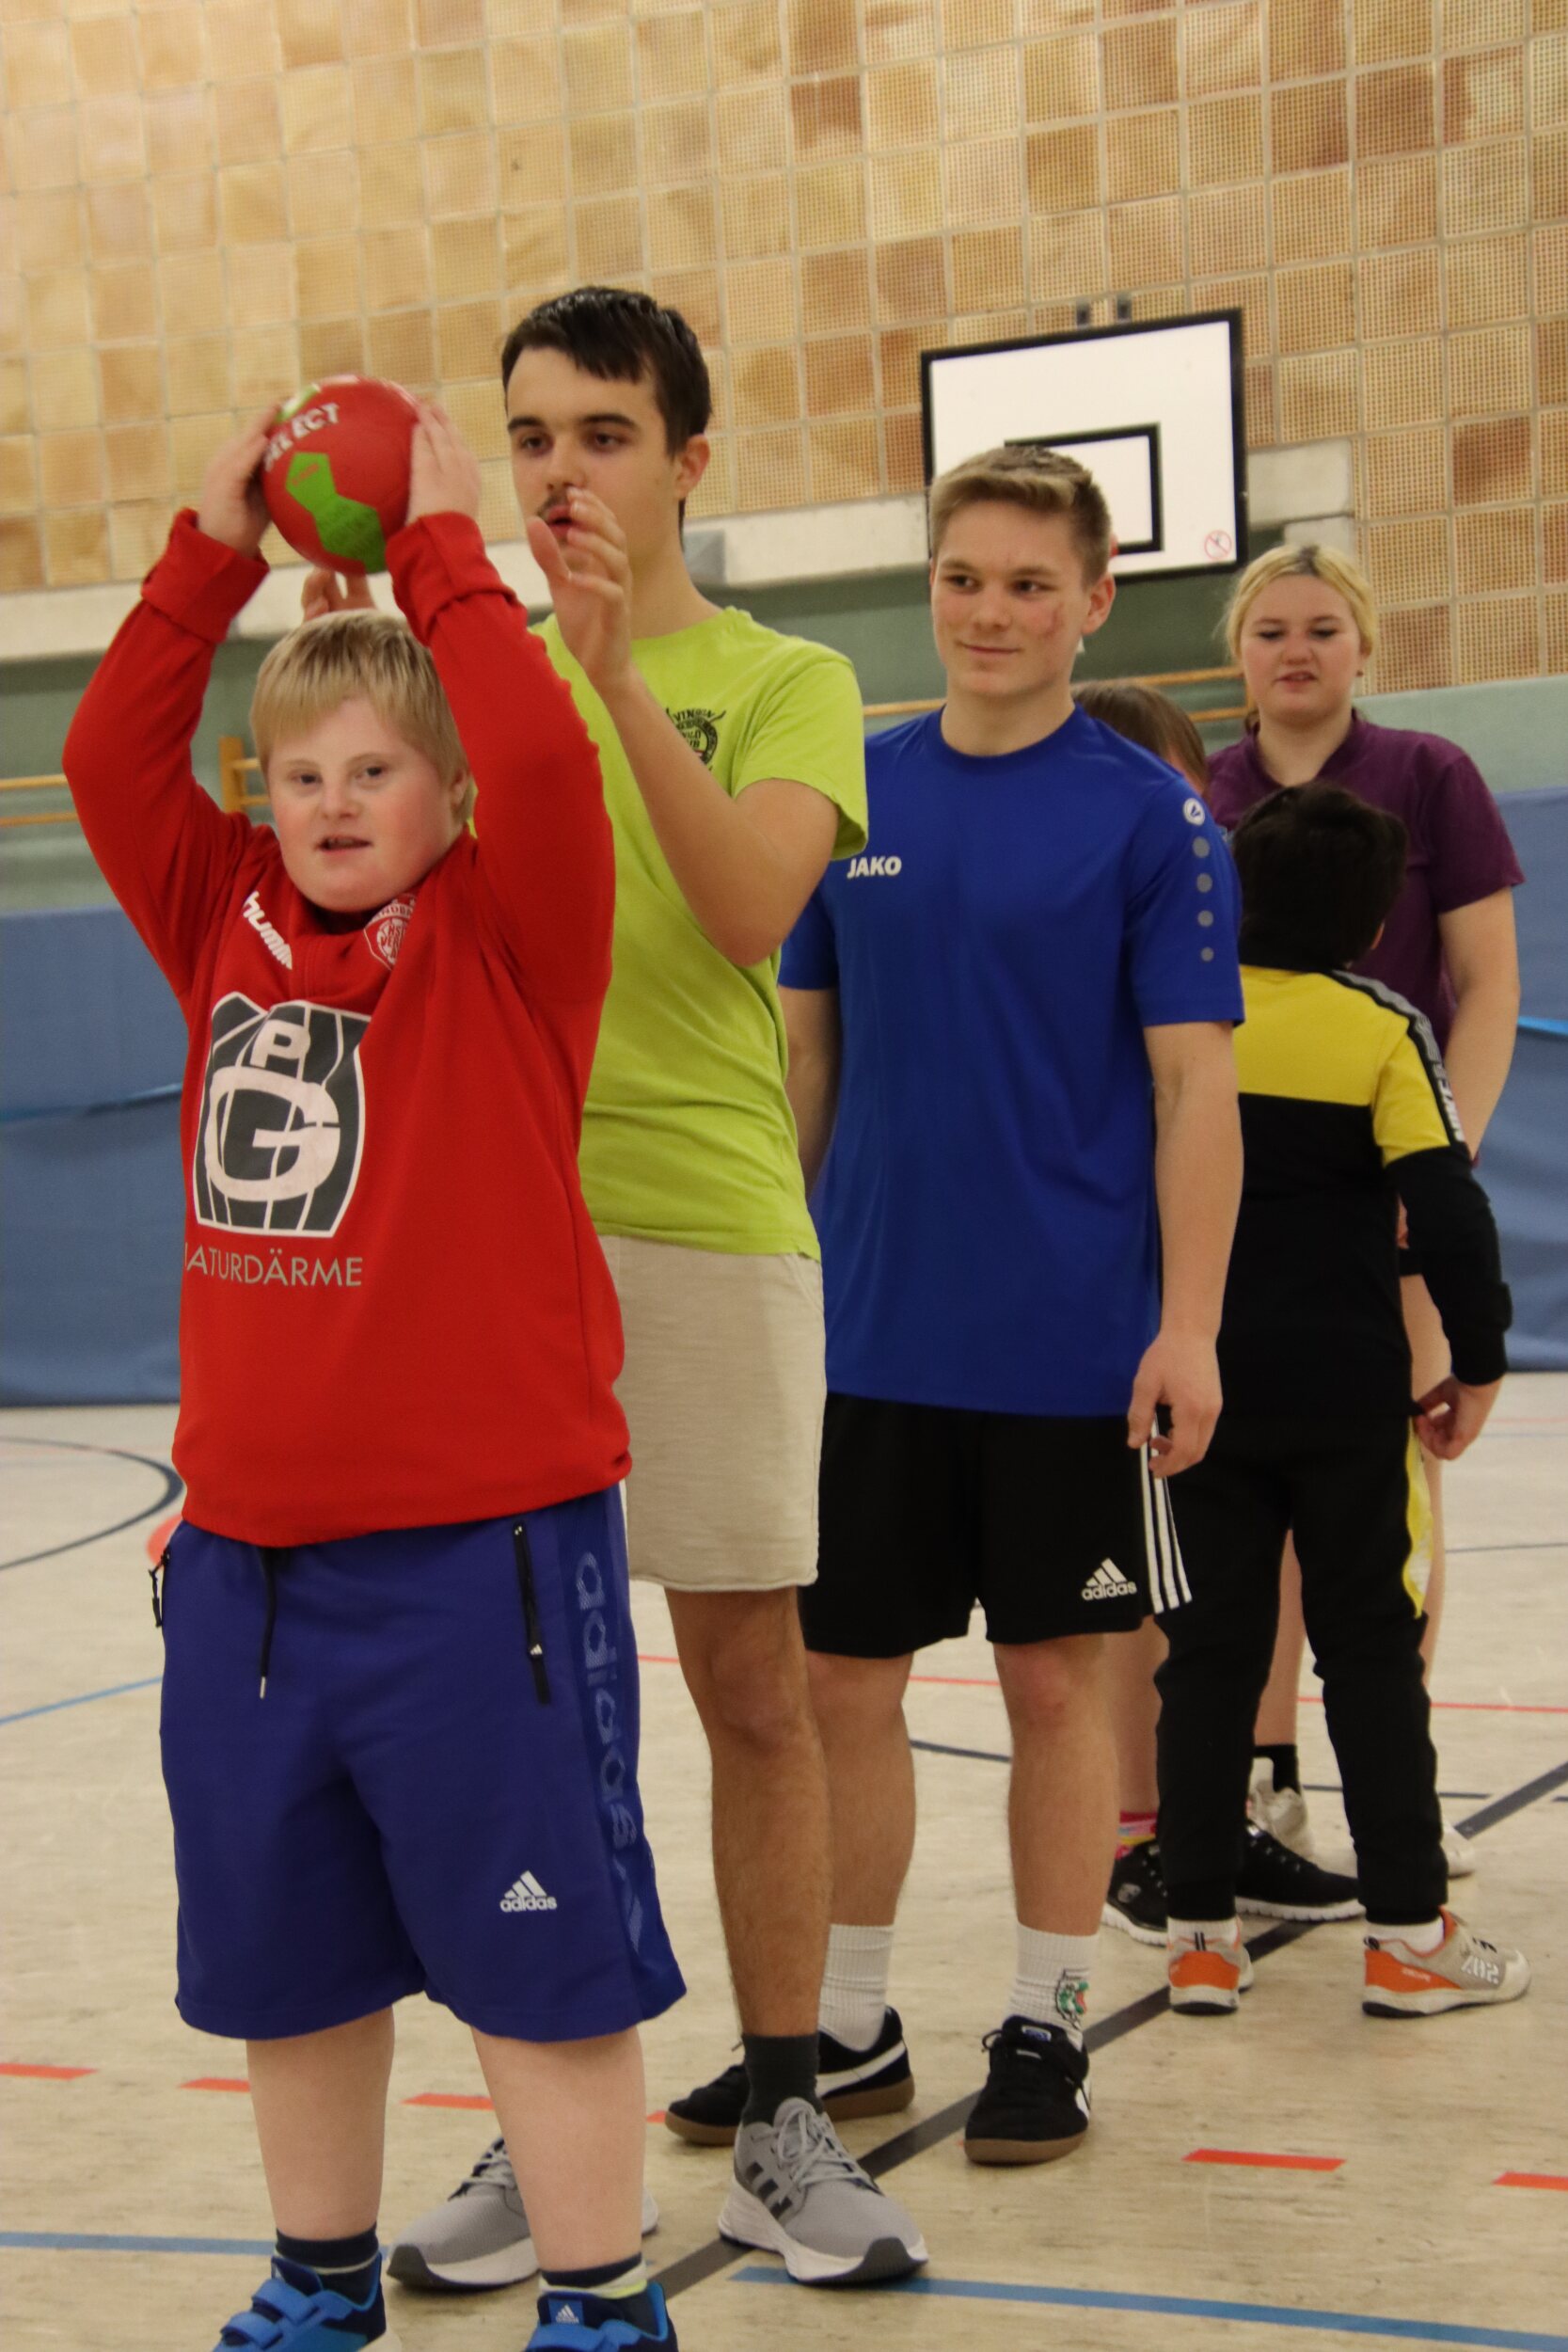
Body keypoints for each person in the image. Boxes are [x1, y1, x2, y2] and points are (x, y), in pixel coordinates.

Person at [63, 406, 686, 2352]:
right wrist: (211, 545)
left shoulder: (513, 933)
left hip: (479, 1564)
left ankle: (598, 2294)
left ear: (447, 796)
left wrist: (435, 545)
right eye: (299, 771)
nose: (332, 800)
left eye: (377, 770)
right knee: (287, 1962)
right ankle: (320, 2269)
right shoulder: (218, 908)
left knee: (546, 1967)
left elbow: (539, 749)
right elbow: (103, 753)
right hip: (248, 1571)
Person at [390, 289, 927, 2292]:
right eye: (531, 435)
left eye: (605, 433)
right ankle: (553, 2121)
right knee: (515, 1715)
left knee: (750, 1684)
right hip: (497, 1242)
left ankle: (784, 2107)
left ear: (690, 460)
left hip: (706, 1225)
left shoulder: (793, 677)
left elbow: (744, 907)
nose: (562, 472)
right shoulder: (465, 686)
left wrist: (612, 686)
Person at [767, 442, 1245, 2166]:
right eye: (965, 576)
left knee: (1055, 1689)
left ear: (1096, 603)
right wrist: (776, 1290)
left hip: (1069, 1351)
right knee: (841, 1693)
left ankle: (1046, 2022)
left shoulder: (1156, 821)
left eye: (1031, 584)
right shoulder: (852, 799)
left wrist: (1188, 1327)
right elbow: (804, 1064)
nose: (992, 611)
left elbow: (1199, 1095)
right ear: (932, 586)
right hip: (869, 1344)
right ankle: (846, 2022)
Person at [1157, 783, 1528, 2020]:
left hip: (1195, 1394)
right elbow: (1452, 1208)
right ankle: (1409, 1934)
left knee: (1205, 1657)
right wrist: (1473, 1359)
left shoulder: (1176, 1019)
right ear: (1376, 927)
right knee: (1370, 1652)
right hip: (1348, 1397)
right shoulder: (1382, 1027)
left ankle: (1200, 1935)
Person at [1210, 545, 1524, 1876]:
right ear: (1240, 653)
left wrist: (1435, 1159)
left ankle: (1402, 1789)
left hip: (1384, 1189)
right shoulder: (1201, 790)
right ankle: (1266, 1781)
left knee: (1392, 1505)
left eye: (1323, 628)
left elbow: (1489, 983)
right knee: (1248, 1516)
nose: (1297, 649)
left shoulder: (1431, 777)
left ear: (1364, 646)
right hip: (1240, 1212)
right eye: (1272, 629)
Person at [1070, 683, 1362, 1949]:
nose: (1193, 809)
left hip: (1184, 1304)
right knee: (1136, 1590)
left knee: (1195, 1586)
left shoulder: (1185, 926)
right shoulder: (1090, 930)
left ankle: (1196, 1816)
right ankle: (1143, 1838)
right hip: (1109, 1310)